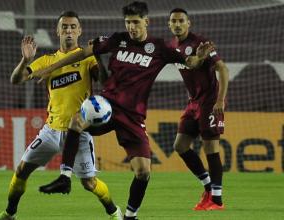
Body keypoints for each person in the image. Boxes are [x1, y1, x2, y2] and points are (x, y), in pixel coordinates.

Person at [30, 2, 214, 219]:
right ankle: (65, 177)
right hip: (106, 106)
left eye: (136, 22)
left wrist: (200, 57)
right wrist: (50, 68)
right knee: (76, 121)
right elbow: (83, 53)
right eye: (128, 23)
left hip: (133, 116)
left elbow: (190, 62)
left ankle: (129, 215)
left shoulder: (160, 48)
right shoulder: (118, 39)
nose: (132, 27)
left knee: (143, 172)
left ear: (146, 21)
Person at [0, 11, 122, 220]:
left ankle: (114, 212)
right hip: (51, 129)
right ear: (58, 31)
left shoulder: (87, 60)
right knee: (22, 170)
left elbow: (105, 83)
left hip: (79, 131)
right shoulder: (47, 61)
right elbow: (16, 80)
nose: (68, 31)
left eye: (72, 27)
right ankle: (9, 213)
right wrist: (25, 61)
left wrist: (97, 55)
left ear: (79, 31)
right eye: (64, 27)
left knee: (89, 183)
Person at [168, 8, 229, 211]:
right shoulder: (172, 47)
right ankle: (208, 187)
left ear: (188, 23)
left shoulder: (200, 42)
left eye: (181, 21)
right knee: (180, 145)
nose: (177, 24)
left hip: (210, 101)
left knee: (210, 148)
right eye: (173, 21)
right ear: (169, 24)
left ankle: (217, 200)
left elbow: (223, 69)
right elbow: (192, 62)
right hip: (193, 102)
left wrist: (220, 100)